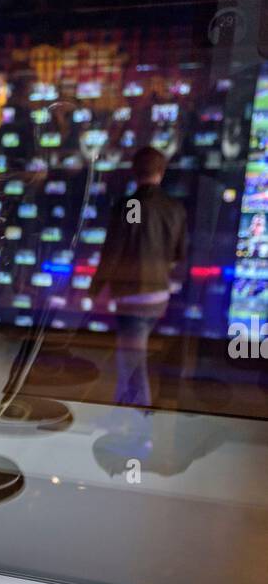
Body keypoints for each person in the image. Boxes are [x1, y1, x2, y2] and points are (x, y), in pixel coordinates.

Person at [91, 145, 187, 407]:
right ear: (162, 171)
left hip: (132, 296)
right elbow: (179, 255)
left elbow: (112, 252)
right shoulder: (175, 208)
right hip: (159, 297)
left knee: (131, 361)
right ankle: (125, 414)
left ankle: (136, 422)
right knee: (132, 356)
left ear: (133, 171)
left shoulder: (128, 205)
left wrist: (95, 290)